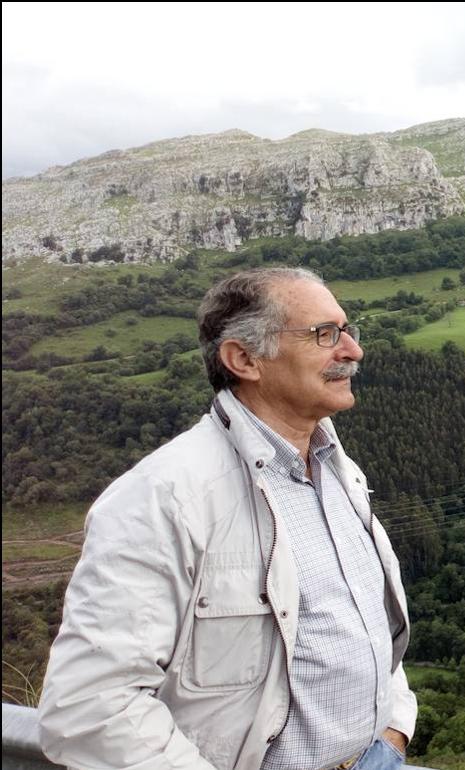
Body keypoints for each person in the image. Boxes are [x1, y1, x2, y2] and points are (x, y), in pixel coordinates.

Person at [39, 267, 416, 770]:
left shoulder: (336, 469)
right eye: (324, 334)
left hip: (376, 758)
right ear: (244, 359)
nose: (353, 350)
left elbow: (359, 620)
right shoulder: (162, 498)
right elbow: (89, 708)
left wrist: (394, 730)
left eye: (347, 330)